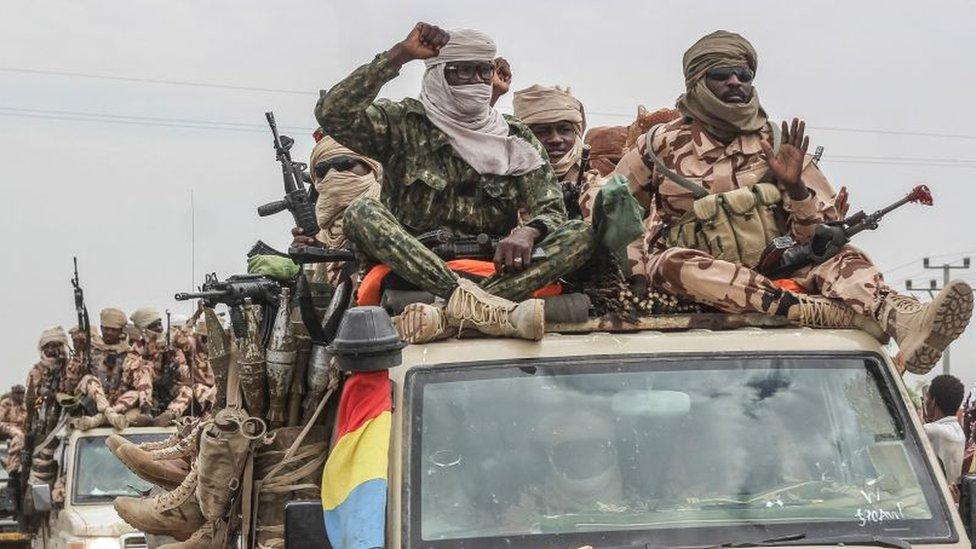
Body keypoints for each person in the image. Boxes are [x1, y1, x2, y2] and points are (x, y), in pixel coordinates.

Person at [612, 30, 972, 373]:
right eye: (723, 73)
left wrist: (796, 187)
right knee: (671, 263)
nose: (736, 82)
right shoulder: (659, 146)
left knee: (842, 258)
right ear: (697, 81)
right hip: (705, 274)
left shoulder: (776, 140)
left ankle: (904, 319)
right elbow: (616, 208)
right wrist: (637, 275)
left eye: (745, 74)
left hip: (782, 263)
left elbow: (818, 233)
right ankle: (814, 311)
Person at [313, 22, 593, 343]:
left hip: (498, 272)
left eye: (483, 72)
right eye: (463, 72)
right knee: (361, 212)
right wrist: (399, 55)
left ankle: (458, 311)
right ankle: (483, 308)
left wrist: (530, 232)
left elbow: (551, 209)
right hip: (416, 267)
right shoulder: (403, 124)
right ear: (438, 73)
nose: (476, 82)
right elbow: (333, 113)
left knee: (581, 233)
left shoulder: (514, 137)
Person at [72, 308, 140, 430]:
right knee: (89, 379)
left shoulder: (129, 353)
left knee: (136, 394)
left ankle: (101, 418)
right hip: (91, 399)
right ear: (101, 328)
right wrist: (78, 353)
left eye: (113, 330)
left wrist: (117, 393)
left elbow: (129, 381)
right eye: (106, 328)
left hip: (116, 401)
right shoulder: (90, 349)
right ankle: (109, 414)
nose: (109, 332)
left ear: (121, 331)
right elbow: (71, 381)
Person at [124, 307, 191, 426]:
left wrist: (174, 368)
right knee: (146, 368)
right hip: (144, 393)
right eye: (154, 326)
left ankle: (170, 414)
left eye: (160, 324)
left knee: (187, 390)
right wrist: (149, 359)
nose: (159, 328)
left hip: (167, 391)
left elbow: (186, 376)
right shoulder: (138, 348)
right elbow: (128, 375)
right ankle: (146, 411)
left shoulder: (171, 347)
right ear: (145, 330)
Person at [513, 84, 587, 184]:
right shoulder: (506, 182)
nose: (556, 139)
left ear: (576, 133)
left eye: (564, 130)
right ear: (524, 136)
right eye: (542, 131)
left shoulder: (594, 182)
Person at [924, 374, 966, 487]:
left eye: (927, 397)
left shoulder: (929, 431)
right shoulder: (959, 433)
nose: (925, 402)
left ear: (933, 402)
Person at [0, 385, 26, 474]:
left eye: (22, 393)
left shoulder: (24, 404)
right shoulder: (6, 403)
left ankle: (18, 464)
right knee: (19, 435)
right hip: (5, 426)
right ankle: (12, 466)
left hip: (21, 428)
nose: (21, 396)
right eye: (18, 393)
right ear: (13, 393)